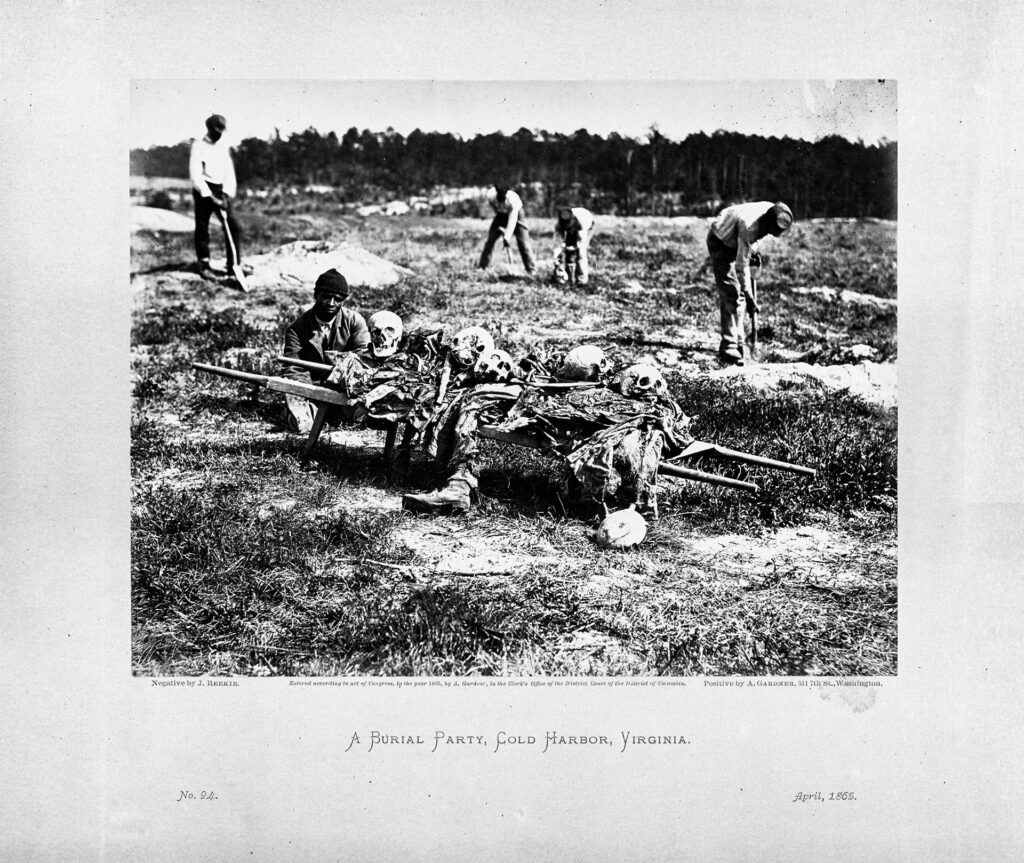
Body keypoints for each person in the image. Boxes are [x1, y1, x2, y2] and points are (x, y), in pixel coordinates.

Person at [281, 269, 370, 432]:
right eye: (326, 297)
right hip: (313, 391)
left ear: (343, 300)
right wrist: (315, 393)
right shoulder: (297, 329)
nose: (331, 303)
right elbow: (293, 370)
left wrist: (340, 379)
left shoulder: (355, 322)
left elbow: (365, 359)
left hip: (346, 389)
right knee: (300, 422)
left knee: (363, 414)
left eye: (337, 299)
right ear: (316, 295)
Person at [706, 201, 793, 364]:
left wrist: (752, 250)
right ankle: (729, 345)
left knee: (739, 297)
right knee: (731, 292)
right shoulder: (749, 226)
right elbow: (741, 266)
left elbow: (755, 238)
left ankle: (739, 341)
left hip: (738, 237)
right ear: (768, 223)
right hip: (720, 240)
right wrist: (750, 296)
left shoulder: (772, 209)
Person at [189, 113, 248, 281]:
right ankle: (204, 264)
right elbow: (195, 174)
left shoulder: (223, 147)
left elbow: (229, 172)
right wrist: (209, 195)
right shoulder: (198, 146)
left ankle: (233, 265)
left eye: (221, 131)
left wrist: (227, 194)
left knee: (233, 225)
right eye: (216, 130)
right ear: (209, 129)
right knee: (202, 227)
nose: (219, 134)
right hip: (203, 189)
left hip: (221, 190)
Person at [478, 185, 537, 275]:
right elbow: (489, 207)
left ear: (506, 193)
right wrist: (491, 216)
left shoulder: (513, 200)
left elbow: (512, 220)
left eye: (503, 195)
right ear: (496, 192)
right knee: (490, 240)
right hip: (500, 215)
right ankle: (482, 267)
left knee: (523, 242)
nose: (501, 197)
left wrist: (507, 237)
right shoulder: (491, 196)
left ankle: (531, 269)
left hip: (517, 215)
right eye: (499, 195)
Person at [553, 205, 595, 285]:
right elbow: (557, 242)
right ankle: (566, 278)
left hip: (587, 226)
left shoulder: (582, 221)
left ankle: (582, 280)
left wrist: (575, 247)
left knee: (580, 253)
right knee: (566, 255)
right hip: (574, 228)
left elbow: (581, 241)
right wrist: (556, 256)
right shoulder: (559, 224)